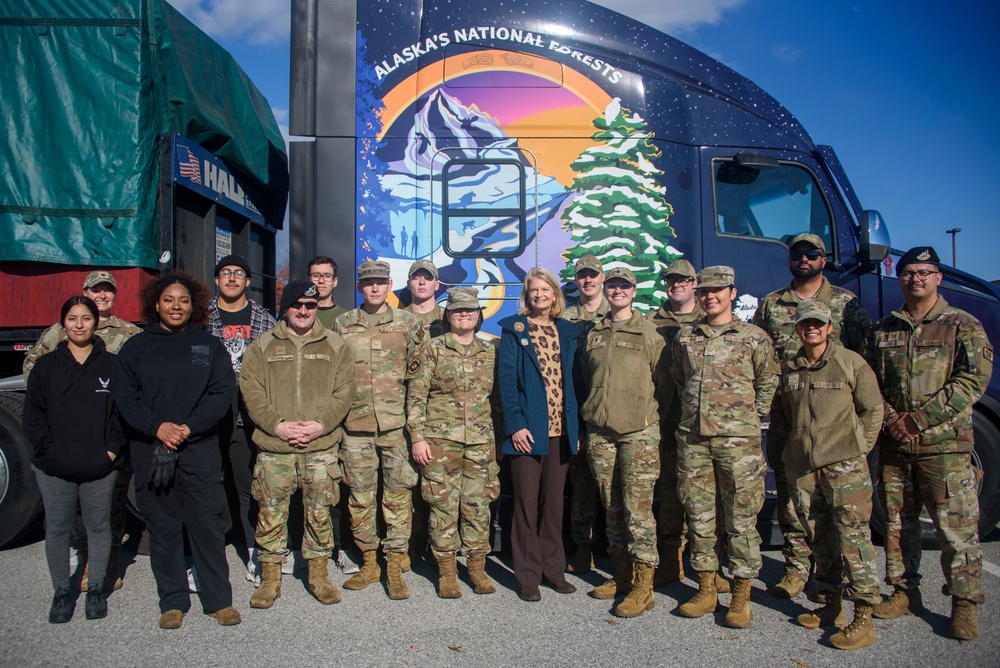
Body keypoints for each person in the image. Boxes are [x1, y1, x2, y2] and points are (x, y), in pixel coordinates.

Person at [869, 246, 992, 641]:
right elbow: (870, 383)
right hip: (896, 446)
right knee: (897, 525)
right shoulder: (884, 328)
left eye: (924, 272)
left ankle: (965, 603)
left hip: (945, 447)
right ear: (900, 278)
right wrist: (891, 420)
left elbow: (972, 381)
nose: (916, 278)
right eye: (908, 272)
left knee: (955, 530)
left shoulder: (962, 325)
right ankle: (905, 592)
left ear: (938, 277)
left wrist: (918, 420)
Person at [112, 272, 240, 629]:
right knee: (164, 528)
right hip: (151, 448)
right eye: (169, 300)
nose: (176, 306)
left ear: (193, 305)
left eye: (183, 300)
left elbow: (221, 393)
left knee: (206, 526)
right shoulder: (136, 347)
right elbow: (125, 396)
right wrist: (158, 427)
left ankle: (219, 600)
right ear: (156, 304)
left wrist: (188, 427)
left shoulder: (209, 346)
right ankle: (172, 602)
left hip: (198, 448)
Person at [752, 233, 871, 599]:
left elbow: (862, 360)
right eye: (797, 254)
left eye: (812, 254)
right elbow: (760, 354)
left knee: (833, 504)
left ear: (823, 259)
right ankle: (796, 568)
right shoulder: (772, 304)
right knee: (792, 498)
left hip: (832, 421)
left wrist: (860, 438)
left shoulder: (846, 304)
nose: (804, 259)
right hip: (787, 415)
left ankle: (830, 575)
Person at [670, 266, 778, 628]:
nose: (710, 296)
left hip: (739, 445)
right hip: (694, 441)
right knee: (700, 519)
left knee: (742, 520)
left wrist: (746, 420)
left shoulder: (753, 337)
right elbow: (679, 377)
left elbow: (767, 382)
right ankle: (706, 588)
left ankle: (741, 595)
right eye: (705, 291)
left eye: (719, 290)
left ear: (733, 292)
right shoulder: (686, 338)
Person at [772, 300, 883, 650]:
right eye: (806, 324)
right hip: (803, 468)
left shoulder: (850, 362)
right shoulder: (790, 368)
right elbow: (782, 419)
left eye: (818, 323)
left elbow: (873, 409)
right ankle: (830, 605)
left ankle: (863, 616)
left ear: (829, 327)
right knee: (818, 538)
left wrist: (856, 448)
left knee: (853, 540)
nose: (812, 329)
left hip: (844, 468)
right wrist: (787, 459)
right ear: (798, 328)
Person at [239, 279, 356, 609]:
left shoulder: (335, 344)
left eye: (310, 305)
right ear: (286, 307)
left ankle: (318, 577)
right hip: (276, 449)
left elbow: (345, 390)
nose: (303, 311)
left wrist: (319, 425)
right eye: (297, 305)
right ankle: (271, 580)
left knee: (320, 514)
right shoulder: (262, 346)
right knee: (271, 513)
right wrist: (279, 426)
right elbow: (252, 391)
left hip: (320, 449)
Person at [23, 270, 140, 593]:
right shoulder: (57, 334)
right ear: (84, 292)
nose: (102, 296)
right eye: (95, 290)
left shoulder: (128, 333)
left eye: (107, 291)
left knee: (111, 506)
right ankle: (84, 558)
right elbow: (34, 373)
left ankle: (106, 566)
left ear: (114, 296)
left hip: (106, 438)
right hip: (68, 436)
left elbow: (134, 381)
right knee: (72, 510)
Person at [334, 260, 425, 599]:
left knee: (398, 498)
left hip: (395, 427)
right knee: (359, 498)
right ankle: (370, 561)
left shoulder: (408, 323)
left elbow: (418, 379)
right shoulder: (344, 324)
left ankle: (395, 562)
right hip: (355, 427)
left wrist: (416, 429)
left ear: (389, 285)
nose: (374, 288)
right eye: (367, 283)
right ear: (359, 287)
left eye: (380, 282)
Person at [580, 266, 664, 618]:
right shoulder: (594, 332)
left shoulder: (649, 333)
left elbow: (665, 383)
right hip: (601, 432)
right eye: (612, 285)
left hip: (638, 433)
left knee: (637, 509)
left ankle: (644, 585)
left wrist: (647, 419)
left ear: (634, 291)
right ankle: (621, 573)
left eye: (623, 286)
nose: (617, 291)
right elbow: (588, 377)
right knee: (611, 506)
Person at [407, 288, 499, 598]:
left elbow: (497, 400)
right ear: (447, 315)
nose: (464, 314)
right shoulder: (432, 349)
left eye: (470, 310)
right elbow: (417, 395)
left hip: (480, 444)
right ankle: (447, 571)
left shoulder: (490, 351)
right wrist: (417, 438)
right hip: (439, 443)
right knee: (442, 508)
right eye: (457, 310)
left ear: (477, 314)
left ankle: (476, 568)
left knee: (477, 507)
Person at [497, 267, 581, 602]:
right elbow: (506, 381)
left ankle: (553, 571)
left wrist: (578, 429)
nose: (539, 295)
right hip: (528, 433)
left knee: (553, 507)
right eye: (533, 290)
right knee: (526, 506)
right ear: (527, 295)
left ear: (555, 294)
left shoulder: (568, 331)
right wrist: (515, 425)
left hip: (561, 431)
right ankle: (528, 576)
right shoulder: (514, 329)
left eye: (545, 289)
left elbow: (576, 382)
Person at [207, 254, 276, 587]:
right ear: (217, 281)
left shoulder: (264, 320)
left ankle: (253, 549)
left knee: (249, 487)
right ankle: (206, 555)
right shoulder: (201, 318)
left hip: (246, 419)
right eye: (225, 273)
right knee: (207, 489)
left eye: (239, 274)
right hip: (207, 419)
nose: (232, 278)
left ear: (248, 282)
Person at [646, 259, 712, 588]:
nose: (677, 285)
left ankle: (710, 568)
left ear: (694, 283)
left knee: (708, 495)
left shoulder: (711, 319)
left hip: (704, 421)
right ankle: (671, 560)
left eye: (683, 280)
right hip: (665, 416)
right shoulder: (650, 322)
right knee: (671, 490)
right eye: (671, 280)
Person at [562, 254, 607, 574]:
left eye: (592, 275)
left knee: (615, 484)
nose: (587, 281)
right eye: (582, 276)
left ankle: (617, 548)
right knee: (581, 486)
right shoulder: (565, 318)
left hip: (610, 411)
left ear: (601, 278)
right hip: (577, 410)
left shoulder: (619, 315)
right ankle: (582, 547)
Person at [404, 259, 445, 338]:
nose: (422, 282)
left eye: (428, 278)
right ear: (408, 284)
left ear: (437, 285)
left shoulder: (449, 319)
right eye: (416, 278)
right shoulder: (398, 319)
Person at [309, 256, 347, 329]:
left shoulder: (347, 317)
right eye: (316, 276)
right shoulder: (297, 315)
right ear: (308, 280)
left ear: (335, 281)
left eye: (327, 276)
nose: (321, 281)